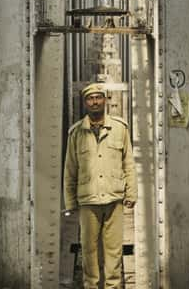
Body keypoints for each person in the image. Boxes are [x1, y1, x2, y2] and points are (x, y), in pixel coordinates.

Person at [64, 83, 137, 288]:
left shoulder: (120, 129)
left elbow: (128, 163)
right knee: (89, 249)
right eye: (90, 98)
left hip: (114, 199)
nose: (95, 101)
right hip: (88, 200)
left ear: (105, 100)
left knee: (114, 249)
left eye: (98, 97)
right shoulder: (76, 133)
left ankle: (113, 286)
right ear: (85, 103)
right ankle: (91, 285)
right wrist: (70, 203)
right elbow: (70, 170)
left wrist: (131, 193)